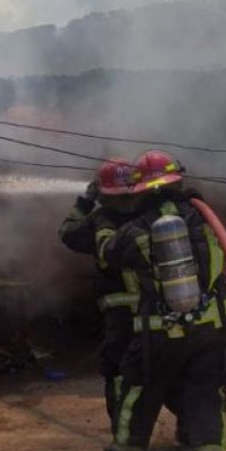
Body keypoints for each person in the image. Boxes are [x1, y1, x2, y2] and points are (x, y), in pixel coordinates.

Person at [99, 149, 226, 451]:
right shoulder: (205, 220)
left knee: (139, 388)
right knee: (207, 395)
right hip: (209, 327)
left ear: (141, 191)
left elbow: (109, 253)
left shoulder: (138, 229)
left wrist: (102, 226)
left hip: (160, 331)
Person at [59, 158, 139, 424]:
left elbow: (67, 232)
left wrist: (84, 201)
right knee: (169, 368)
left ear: (102, 192)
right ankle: (189, 433)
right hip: (160, 311)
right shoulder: (154, 216)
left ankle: (126, 436)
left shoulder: (98, 220)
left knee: (118, 373)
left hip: (121, 316)